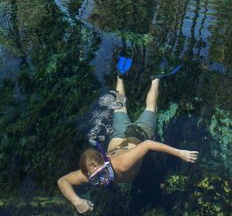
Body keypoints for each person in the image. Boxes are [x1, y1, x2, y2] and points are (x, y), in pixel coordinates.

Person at [58, 76, 199, 214]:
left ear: (106, 161)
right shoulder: (88, 173)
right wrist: (77, 201)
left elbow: (148, 144)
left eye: (101, 174)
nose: (101, 181)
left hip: (140, 134)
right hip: (118, 135)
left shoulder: (122, 164)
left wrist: (180, 153)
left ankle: (155, 80)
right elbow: (62, 181)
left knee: (150, 108)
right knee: (119, 108)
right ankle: (120, 77)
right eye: (95, 179)